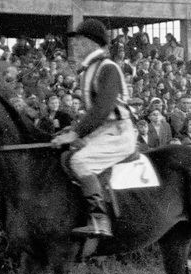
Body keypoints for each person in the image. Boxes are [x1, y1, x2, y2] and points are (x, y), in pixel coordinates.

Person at [50, 18, 136, 237]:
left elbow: (102, 109)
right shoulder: (89, 70)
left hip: (118, 132)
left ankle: (100, 219)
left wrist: (75, 133)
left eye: (79, 39)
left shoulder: (108, 68)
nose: (75, 44)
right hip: (102, 132)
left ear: (91, 42)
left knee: (80, 160)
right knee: (65, 156)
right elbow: (92, 114)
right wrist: (70, 131)